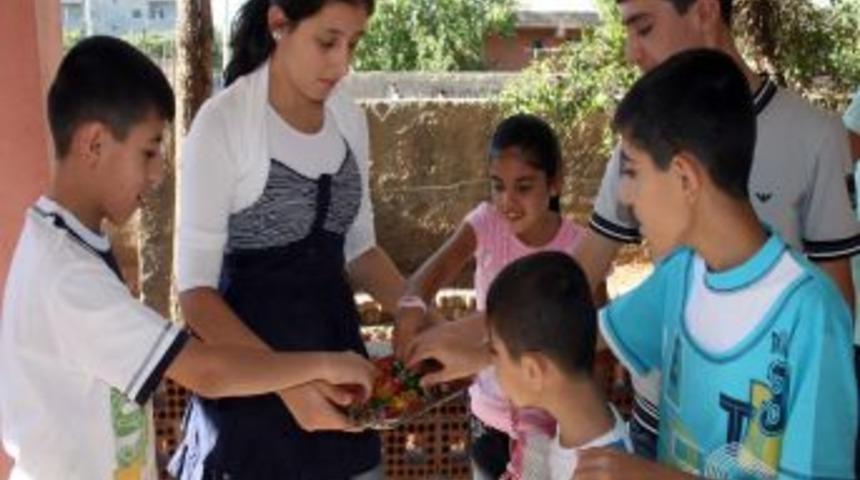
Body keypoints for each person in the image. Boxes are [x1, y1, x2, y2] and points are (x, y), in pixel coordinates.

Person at [0, 35, 379, 480]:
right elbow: (206, 371)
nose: (160, 172)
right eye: (149, 150)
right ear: (94, 143)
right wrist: (326, 363)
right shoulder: (66, 277)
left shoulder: (68, 244)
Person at [574, 0, 860, 458]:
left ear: (705, 11)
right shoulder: (644, 142)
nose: (632, 52)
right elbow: (578, 284)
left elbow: (833, 309)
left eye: (643, 27)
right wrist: (497, 336)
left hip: (766, 442)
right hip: (663, 423)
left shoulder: (816, 137)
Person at [170, 0, 405, 478]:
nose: (342, 63)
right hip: (251, 415)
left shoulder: (347, 118)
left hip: (342, 400)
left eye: (353, 44)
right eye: (327, 41)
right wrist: (291, 387)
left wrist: (416, 310)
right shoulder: (224, 124)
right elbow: (195, 296)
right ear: (279, 23)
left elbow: (361, 249)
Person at [394, 114, 587, 479]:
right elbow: (427, 278)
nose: (507, 201)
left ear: (556, 182)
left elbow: (595, 342)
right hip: (490, 416)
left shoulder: (579, 249)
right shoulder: (485, 224)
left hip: (557, 425)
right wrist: (411, 308)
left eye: (523, 187)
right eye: (498, 186)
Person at [485, 252, 632, 480]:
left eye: (495, 353)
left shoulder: (598, 472)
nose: (494, 367)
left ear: (533, 370)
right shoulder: (582, 429)